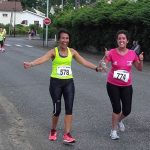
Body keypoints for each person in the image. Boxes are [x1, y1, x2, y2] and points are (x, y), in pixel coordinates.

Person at [23, 28, 100, 143]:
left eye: (67, 38)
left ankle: (67, 134)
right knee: (57, 110)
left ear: (69, 40)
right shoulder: (54, 51)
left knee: (69, 109)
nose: (65, 40)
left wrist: (96, 68)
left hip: (69, 83)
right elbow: (42, 59)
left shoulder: (72, 52)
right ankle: (53, 130)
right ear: (59, 39)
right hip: (55, 84)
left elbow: (84, 61)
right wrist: (31, 64)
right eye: (63, 38)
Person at [100, 30, 144, 140]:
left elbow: (139, 68)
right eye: (119, 38)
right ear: (117, 40)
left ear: (127, 41)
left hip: (127, 85)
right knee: (117, 109)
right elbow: (102, 67)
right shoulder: (111, 52)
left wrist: (141, 60)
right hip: (112, 84)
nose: (121, 40)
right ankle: (113, 131)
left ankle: (119, 120)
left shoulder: (132, 53)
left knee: (127, 110)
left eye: (123, 38)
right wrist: (104, 57)